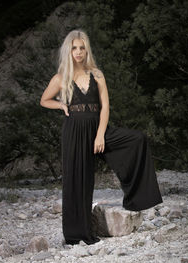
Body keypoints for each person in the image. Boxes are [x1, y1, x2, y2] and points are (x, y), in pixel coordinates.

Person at [40, 29, 163, 245]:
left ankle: (137, 198)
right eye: (74, 48)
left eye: (82, 47)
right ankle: (77, 235)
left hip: (98, 128)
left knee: (137, 139)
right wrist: (60, 104)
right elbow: (44, 100)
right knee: (77, 181)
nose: (78, 52)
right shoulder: (60, 77)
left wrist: (100, 136)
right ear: (68, 51)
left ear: (87, 49)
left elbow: (105, 107)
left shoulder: (97, 74)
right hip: (74, 131)